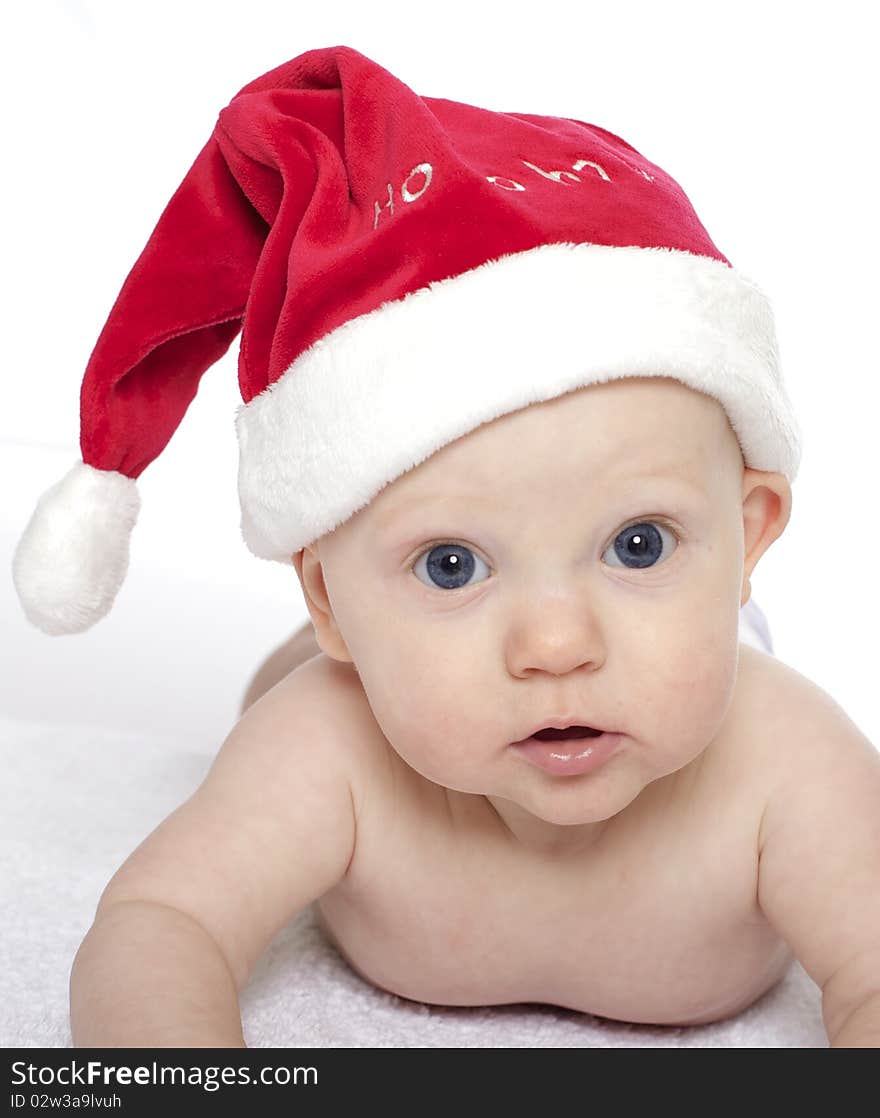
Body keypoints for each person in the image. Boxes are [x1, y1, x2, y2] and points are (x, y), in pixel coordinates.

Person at [13, 45, 879, 1048]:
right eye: (451, 563)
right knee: (282, 699)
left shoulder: (789, 766)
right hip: (350, 686)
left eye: (638, 543)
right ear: (327, 596)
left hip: (724, 658)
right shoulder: (328, 754)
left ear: (752, 534)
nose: (556, 643)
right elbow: (162, 921)